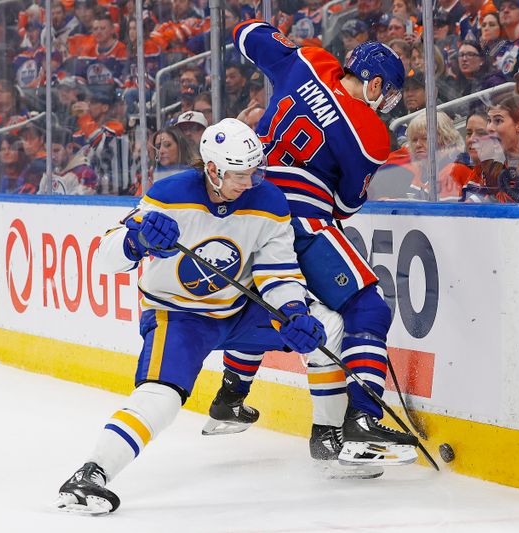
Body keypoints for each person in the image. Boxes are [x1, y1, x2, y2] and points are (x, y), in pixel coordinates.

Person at [55, 119, 329, 515]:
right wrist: (138, 240)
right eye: (241, 173)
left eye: (257, 170)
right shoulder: (168, 194)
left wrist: (292, 311)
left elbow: (278, 271)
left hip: (239, 310)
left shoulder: (268, 200)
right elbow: (105, 254)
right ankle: (91, 474)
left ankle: (332, 437)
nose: (252, 181)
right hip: (178, 315)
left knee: (327, 329)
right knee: (162, 397)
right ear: (213, 169)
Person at [211, 19, 419, 467]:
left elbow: (247, 33)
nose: (386, 105)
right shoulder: (370, 133)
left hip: (242, 212)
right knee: (368, 309)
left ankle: (232, 395)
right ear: (375, 83)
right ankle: (361, 420)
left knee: (264, 306)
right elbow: (344, 206)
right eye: (388, 94)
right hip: (299, 221)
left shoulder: (308, 60)